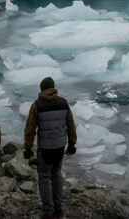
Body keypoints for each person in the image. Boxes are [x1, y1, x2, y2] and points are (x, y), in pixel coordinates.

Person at [23, 76, 77, 219]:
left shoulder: (37, 105)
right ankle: (59, 209)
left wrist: (27, 149)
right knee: (56, 174)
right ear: (53, 88)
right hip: (60, 147)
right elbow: (71, 125)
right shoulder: (63, 103)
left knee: (44, 177)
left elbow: (30, 129)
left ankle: (48, 212)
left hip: (45, 149)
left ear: (42, 89)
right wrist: (72, 144)